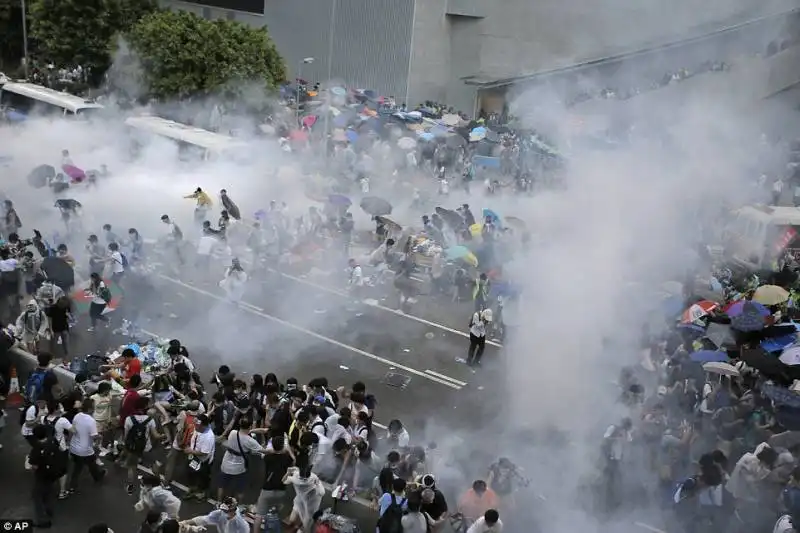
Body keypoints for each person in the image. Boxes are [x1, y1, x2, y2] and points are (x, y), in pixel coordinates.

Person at [28, 424, 68, 528]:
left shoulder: (36, 449)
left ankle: (41, 521)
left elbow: (34, 466)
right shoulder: (52, 442)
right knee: (49, 492)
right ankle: (50, 510)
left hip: (41, 475)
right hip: (53, 474)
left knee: (37, 497)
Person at [254, 435, 294, 533]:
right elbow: (293, 461)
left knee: (259, 515)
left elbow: (267, 452)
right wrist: (288, 449)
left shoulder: (267, 458)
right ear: (282, 446)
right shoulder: (287, 458)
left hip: (267, 490)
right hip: (281, 490)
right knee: (274, 514)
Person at [68, 398, 106, 492]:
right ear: (89, 409)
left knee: (78, 467)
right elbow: (94, 436)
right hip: (85, 450)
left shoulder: (77, 416)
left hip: (74, 447)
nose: (94, 409)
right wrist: (100, 436)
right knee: (90, 463)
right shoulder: (91, 420)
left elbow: (72, 430)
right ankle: (97, 476)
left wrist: (69, 444)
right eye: (93, 408)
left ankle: (73, 485)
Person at [283, 465, 325, 532]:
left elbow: (283, 481)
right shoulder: (313, 477)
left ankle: (297, 527)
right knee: (303, 524)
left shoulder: (295, 478)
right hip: (308, 503)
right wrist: (318, 484)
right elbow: (322, 492)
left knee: (296, 521)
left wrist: (288, 472)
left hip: (304, 502)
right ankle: (300, 527)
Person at [184, 413, 215, 500]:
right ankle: (193, 489)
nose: (195, 427)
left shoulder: (209, 437)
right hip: (194, 457)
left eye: (197, 425)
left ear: (203, 425)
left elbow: (204, 453)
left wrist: (190, 451)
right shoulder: (199, 427)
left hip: (203, 460)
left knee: (203, 477)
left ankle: (203, 493)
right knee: (191, 473)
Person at [180, 497, 249, 533]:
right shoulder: (219, 513)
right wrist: (186, 522)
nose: (223, 511)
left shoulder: (241, 524)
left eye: (226, 510)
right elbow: (204, 519)